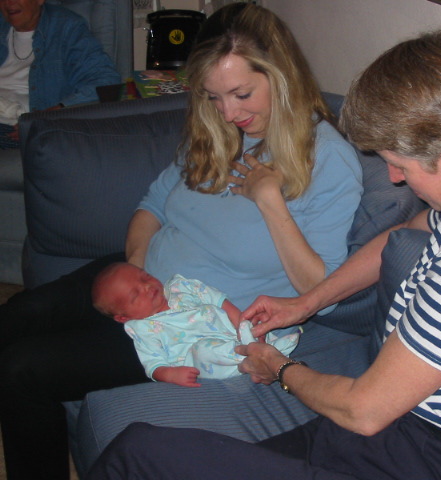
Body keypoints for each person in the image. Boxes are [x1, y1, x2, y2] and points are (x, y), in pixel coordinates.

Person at [87, 29, 441, 480]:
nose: (396, 180)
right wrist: (306, 303)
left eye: (399, 166)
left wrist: (277, 366)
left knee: (140, 451)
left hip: (429, 458)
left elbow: (364, 409)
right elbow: (400, 234)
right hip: (395, 431)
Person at [0, 4, 362, 479]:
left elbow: (323, 292)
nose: (229, 113)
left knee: (23, 370)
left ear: (281, 75)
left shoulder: (329, 160)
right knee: (15, 317)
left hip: (190, 322)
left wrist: (270, 201)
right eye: (213, 97)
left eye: (241, 93)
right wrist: (135, 266)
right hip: (139, 277)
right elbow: (151, 205)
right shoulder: (215, 131)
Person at [92, 262, 301, 386]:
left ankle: (267, 348)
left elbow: (222, 303)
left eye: (144, 277)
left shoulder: (181, 287)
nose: (146, 287)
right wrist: (170, 375)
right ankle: (255, 354)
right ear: (123, 317)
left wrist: (244, 324)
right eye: (135, 294)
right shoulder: (142, 330)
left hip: (234, 333)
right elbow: (153, 365)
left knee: (250, 324)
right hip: (205, 362)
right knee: (203, 349)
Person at [0, 0, 121, 148]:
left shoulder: (66, 27)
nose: (9, 3)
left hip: (15, 127)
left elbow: (106, 81)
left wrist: (48, 117)